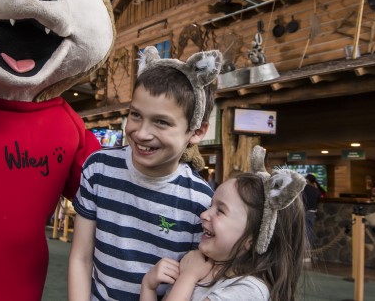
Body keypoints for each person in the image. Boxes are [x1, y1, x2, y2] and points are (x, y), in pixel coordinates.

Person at [68, 47, 222, 300]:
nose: (141, 133)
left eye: (161, 122)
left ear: (196, 131)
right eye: (136, 115)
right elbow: (81, 257)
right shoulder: (98, 168)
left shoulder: (201, 202)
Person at [140, 145, 306, 301]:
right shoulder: (200, 266)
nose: (204, 214)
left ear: (252, 238)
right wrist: (148, 287)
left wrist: (188, 276)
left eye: (221, 211)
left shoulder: (248, 291)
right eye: (211, 205)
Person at [302, 174, 322, 255]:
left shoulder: (304, 188)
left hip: (305, 212)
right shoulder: (316, 190)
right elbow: (319, 196)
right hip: (313, 212)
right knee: (310, 232)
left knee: (305, 232)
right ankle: (308, 251)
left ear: (307, 180)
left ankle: (305, 252)